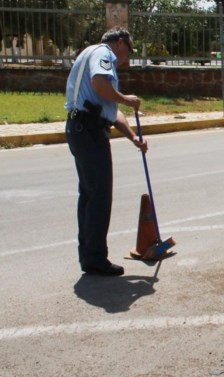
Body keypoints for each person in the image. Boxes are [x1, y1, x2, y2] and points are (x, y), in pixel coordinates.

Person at [65, 27, 147, 276]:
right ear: (120, 42)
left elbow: (110, 110)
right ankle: (95, 258)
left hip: (82, 128)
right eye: (128, 50)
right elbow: (99, 84)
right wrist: (125, 98)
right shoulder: (104, 54)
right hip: (88, 130)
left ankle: (89, 256)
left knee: (89, 196)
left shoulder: (89, 53)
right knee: (99, 197)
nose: (126, 58)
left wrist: (133, 137)